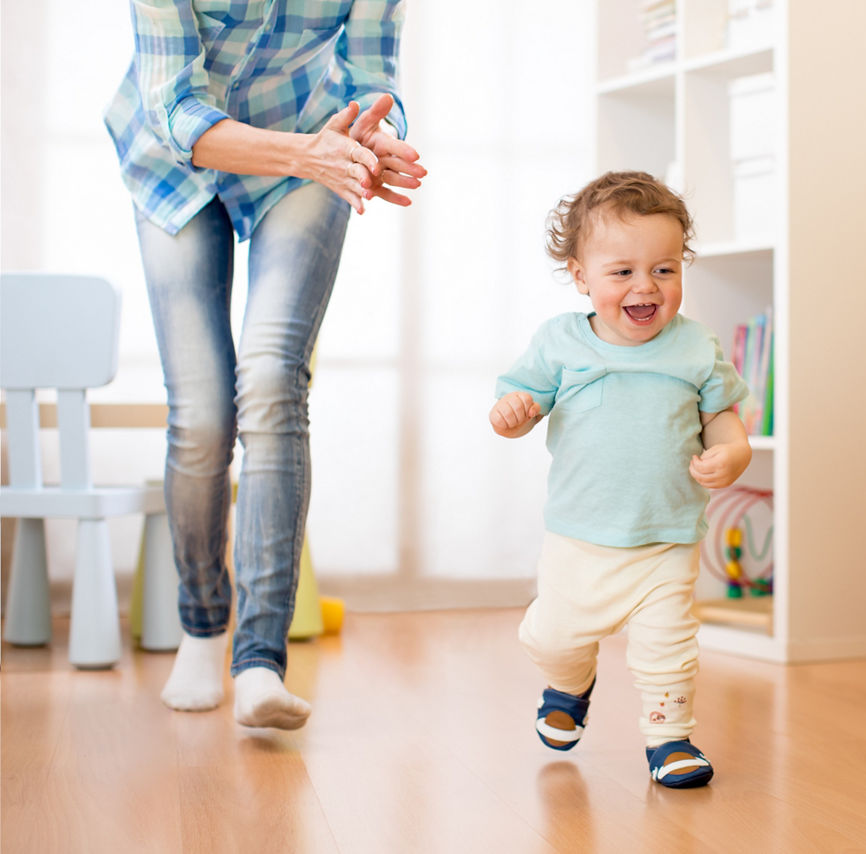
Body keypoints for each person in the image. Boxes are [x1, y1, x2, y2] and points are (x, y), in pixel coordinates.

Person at [106, 1, 427, 730]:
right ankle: (202, 624)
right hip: (177, 156)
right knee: (203, 413)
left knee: (274, 380)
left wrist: (375, 138)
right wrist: (307, 152)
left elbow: (373, 77)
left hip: (309, 142)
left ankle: (258, 661)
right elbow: (175, 108)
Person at [490, 171, 752, 788]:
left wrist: (733, 454)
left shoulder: (694, 347)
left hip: (666, 534)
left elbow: (723, 420)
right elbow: (520, 400)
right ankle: (569, 681)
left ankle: (670, 740)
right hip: (580, 535)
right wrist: (514, 413)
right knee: (553, 635)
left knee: (667, 647)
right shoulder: (560, 343)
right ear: (581, 277)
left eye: (664, 270)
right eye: (622, 272)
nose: (646, 286)